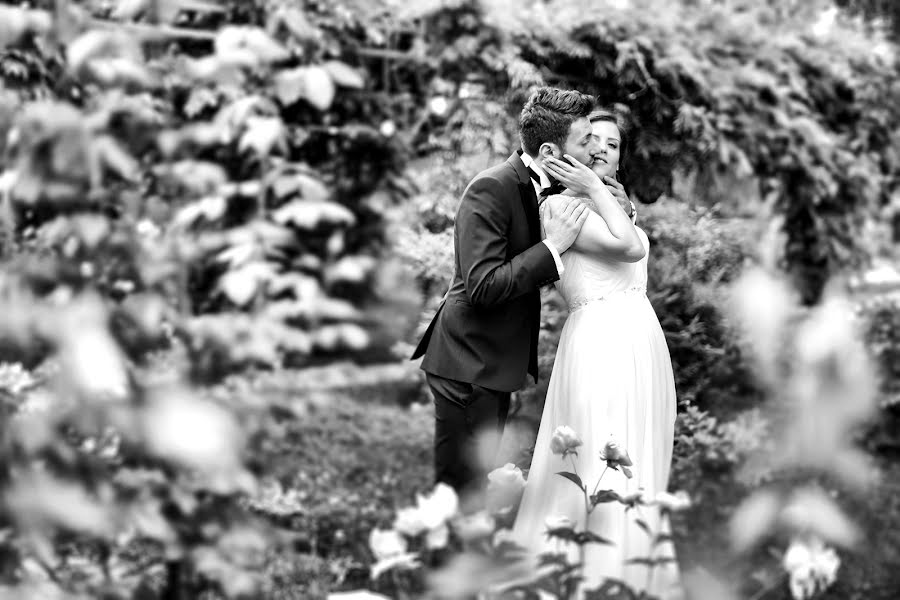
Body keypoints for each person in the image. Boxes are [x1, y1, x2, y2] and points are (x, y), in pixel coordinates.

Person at [411, 88, 631, 509]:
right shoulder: (491, 188)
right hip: (466, 363)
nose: (595, 151)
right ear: (550, 150)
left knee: (476, 482)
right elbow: (482, 286)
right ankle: (443, 569)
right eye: (585, 141)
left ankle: (468, 562)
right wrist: (553, 248)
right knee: (458, 490)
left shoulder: (553, 192)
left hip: (491, 364)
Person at [508, 109, 681, 598]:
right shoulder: (560, 209)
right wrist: (599, 191)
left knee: (638, 458)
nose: (603, 149)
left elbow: (632, 252)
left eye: (614, 144)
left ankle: (635, 569)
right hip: (600, 341)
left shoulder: (615, 204)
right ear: (571, 151)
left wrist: (612, 199)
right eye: (593, 141)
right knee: (602, 451)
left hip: (639, 339)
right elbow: (628, 250)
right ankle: (589, 577)